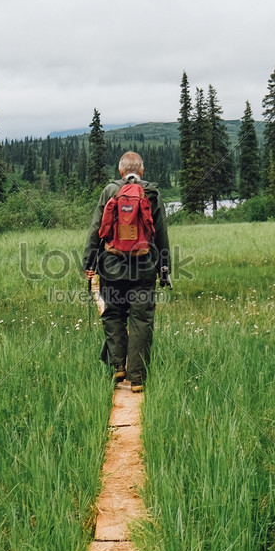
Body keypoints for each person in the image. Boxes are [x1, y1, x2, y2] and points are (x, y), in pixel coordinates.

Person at [83, 151, 171, 393]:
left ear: (120, 171)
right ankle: (138, 378)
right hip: (144, 268)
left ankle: (118, 366)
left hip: (111, 266)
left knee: (113, 315)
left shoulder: (110, 191)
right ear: (141, 171)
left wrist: (89, 263)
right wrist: (165, 268)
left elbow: (95, 230)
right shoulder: (151, 193)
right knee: (142, 320)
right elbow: (161, 233)